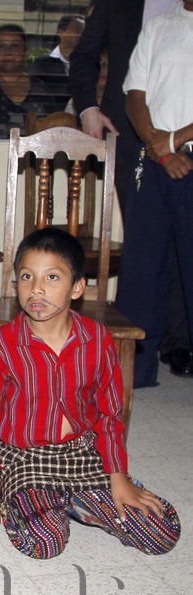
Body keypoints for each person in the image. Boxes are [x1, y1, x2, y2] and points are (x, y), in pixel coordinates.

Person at [0, 228, 181, 558]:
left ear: (77, 287)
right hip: (25, 457)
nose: (36, 288)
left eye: (52, 277)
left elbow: (110, 413)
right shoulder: (3, 343)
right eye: (26, 276)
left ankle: (70, 498)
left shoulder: (96, 339)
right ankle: (40, 499)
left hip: (82, 453)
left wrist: (118, 477)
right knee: (45, 542)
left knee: (162, 531)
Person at [115, 0, 193, 388]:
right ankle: (135, 374)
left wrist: (176, 141)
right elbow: (134, 96)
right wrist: (161, 150)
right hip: (156, 162)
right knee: (142, 270)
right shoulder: (159, 25)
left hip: (188, 157)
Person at [0, 24, 63, 139]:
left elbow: (55, 127)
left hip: (33, 155)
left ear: (25, 51)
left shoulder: (40, 87)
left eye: (15, 46)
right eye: (1, 47)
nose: (8, 52)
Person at [28, 14, 85, 112]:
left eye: (84, 32)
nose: (81, 35)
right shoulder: (41, 64)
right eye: (77, 30)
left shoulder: (89, 64)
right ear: (61, 31)